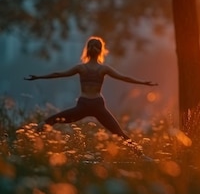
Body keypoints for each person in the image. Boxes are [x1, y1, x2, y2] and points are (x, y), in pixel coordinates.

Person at [24, 36, 157, 160]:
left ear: (87, 51)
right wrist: (143, 82)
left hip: (83, 105)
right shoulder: (103, 69)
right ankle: (142, 156)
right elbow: (124, 78)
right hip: (98, 105)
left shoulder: (81, 68)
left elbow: (58, 74)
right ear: (101, 51)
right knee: (119, 133)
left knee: (52, 120)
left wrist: (38, 77)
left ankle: (30, 143)